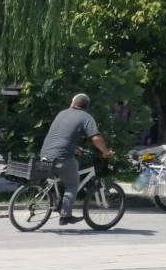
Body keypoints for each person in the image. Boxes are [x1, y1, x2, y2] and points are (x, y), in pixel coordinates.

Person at [40, 93, 112, 225]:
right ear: (86, 106)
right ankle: (66, 216)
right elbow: (96, 138)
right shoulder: (86, 117)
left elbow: (62, 136)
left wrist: (75, 148)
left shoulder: (62, 113)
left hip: (45, 153)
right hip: (62, 156)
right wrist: (105, 152)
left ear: (72, 103)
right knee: (72, 184)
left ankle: (60, 203)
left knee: (65, 175)